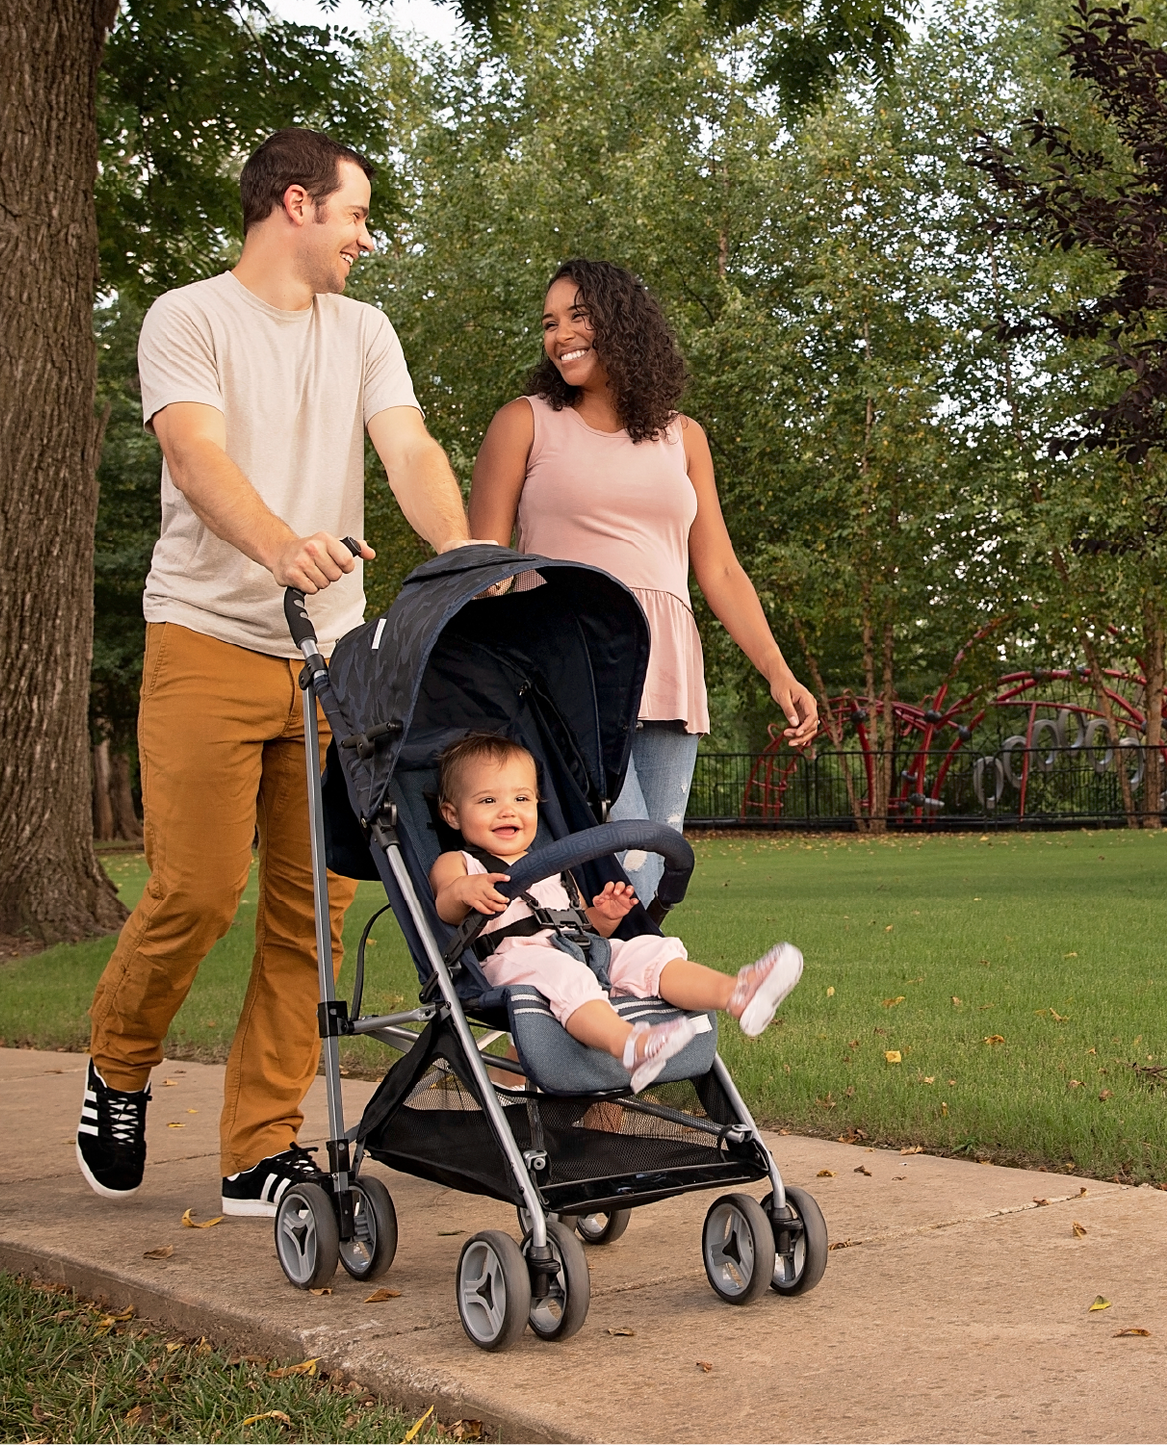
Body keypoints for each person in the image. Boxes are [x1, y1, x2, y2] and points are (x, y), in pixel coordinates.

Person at [78, 129, 470, 1217]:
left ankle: (260, 1145)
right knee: (195, 891)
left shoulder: (364, 330)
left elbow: (409, 449)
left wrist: (463, 553)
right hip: (204, 633)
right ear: (295, 204)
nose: (364, 236)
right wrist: (279, 544)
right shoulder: (187, 316)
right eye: (354, 214)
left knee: (314, 910)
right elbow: (197, 456)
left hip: (331, 659)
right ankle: (118, 1064)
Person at [468, 259, 820, 906]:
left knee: (654, 868)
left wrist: (777, 670)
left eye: (578, 315)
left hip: (665, 663)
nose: (560, 334)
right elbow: (481, 566)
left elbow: (716, 568)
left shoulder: (683, 438)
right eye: (549, 322)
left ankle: (621, 999)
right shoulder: (524, 422)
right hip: (567, 664)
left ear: (622, 324)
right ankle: (603, 999)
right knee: (614, 862)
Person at [428, 733, 802, 1093]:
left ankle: (737, 992)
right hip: (514, 961)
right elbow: (445, 903)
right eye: (488, 801)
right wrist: (464, 890)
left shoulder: (551, 864)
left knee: (649, 950)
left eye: (522, 798)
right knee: (565, 973)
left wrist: (601, 917)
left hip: (580, 949)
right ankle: (631, 1046)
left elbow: (576, 924)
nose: (508, 810)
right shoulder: (459, 862)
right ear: (452, 814)